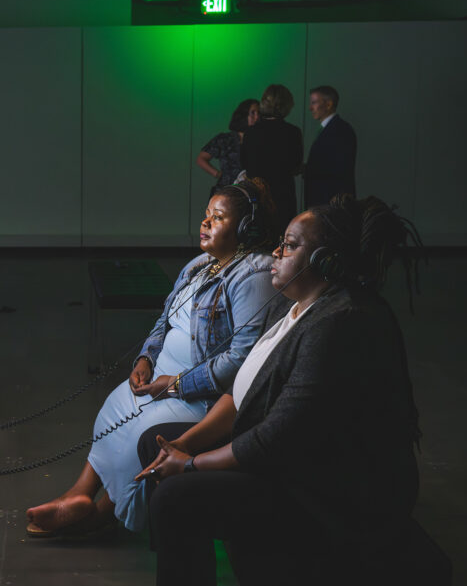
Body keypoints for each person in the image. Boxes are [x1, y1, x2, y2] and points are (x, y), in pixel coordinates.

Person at [135, 195, 422, 586]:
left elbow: (276, 439)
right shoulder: (288, 305)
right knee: (155, 444)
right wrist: (182, 445)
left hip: (320, 492)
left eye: (288, 244)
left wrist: (189, 464)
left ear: (325, 260)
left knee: (174, 496)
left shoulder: (340, 322)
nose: (275, 251)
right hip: (284, 462)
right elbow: (239, 396)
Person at [25, 178, 281, 537]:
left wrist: (176, 385)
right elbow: (165, 319)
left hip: (201, 395)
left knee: (138, 435)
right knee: (114, 410)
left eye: (218, 218)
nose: (205, 223)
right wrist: (145, 358)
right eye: (206, 214)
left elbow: (239, 359)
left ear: (245, 229)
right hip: (161, 378)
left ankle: (101, 514)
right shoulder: (199, 264)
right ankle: (79, 494)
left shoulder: (252, 275)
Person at [241, 84, 303, 236]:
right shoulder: (293, 132)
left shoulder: (250, 132)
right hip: (283, 196)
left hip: (256, 195)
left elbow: (244, 163)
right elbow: (296, 165)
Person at [305, 85, 357, 208]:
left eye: (314, 103)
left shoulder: (341, 130)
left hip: (330, 203)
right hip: (326, 202)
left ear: (328, 104)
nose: (310, 108)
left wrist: (309, 169)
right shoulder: (335, 129)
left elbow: (340, 168)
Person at [196, 99, 260, 194]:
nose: (257, 117)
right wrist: (218, 174)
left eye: (259, 113)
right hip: (226, 192)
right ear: (243, 114)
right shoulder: (225, 139)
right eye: (253, 113)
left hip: (251, 192)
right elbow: (201, 159)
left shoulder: (259, 140)